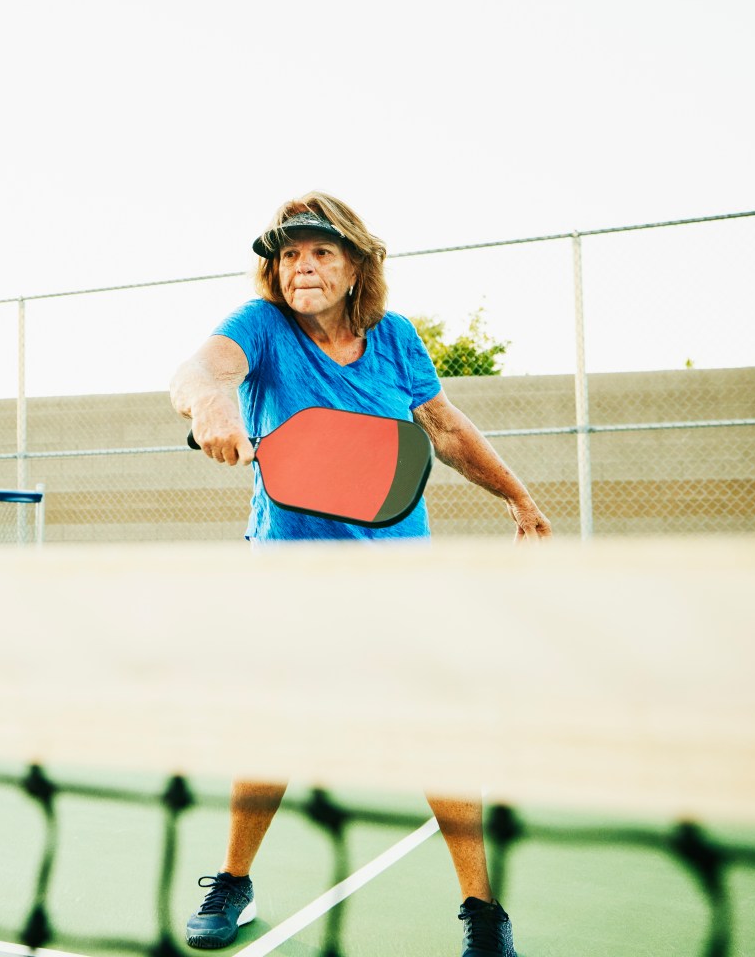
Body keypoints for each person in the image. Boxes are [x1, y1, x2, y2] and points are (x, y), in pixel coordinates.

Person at [168, 192, 551, 957]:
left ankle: (483, 909)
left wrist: (520, 497)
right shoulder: (263, 329)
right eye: (288, 256)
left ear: (355, 266)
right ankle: (234, 881)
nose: (301, 267)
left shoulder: (397, 338)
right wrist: (209, 401)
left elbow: (443, 427)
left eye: (320, 253)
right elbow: (200, 367)